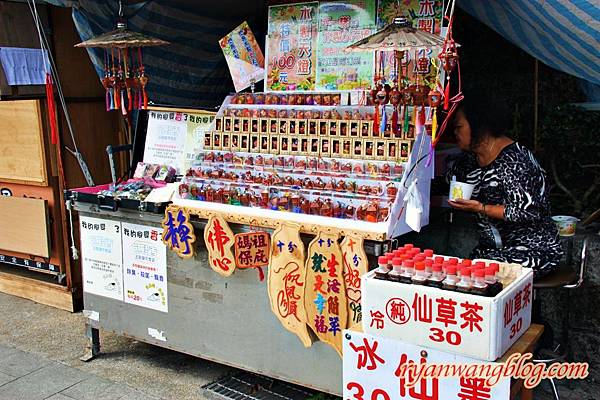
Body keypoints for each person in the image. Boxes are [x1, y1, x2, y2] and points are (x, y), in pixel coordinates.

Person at [447, 97, 563, 277]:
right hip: (490, 252)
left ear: (479, 126)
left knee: (473, 276)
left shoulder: (516, 160)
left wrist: (481, 208)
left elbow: (528, 211)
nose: (454, 132)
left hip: (531, 250)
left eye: (459, 126)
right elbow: (447, 182)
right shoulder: (470, 159)